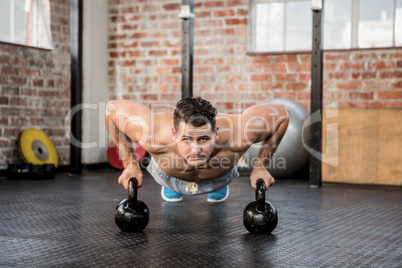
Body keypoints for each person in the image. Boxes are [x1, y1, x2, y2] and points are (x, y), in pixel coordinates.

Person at [105, 96, 289, 202]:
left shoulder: (240, 132)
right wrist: (130, 164)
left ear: (216, 133)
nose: (195, 150)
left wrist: (261, 166)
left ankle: (218, 187)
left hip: (218, 176)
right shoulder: (152, 133)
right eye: (186, 139)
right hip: (168, 176)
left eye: (203, 139)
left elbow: (282, 114)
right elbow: (111, 110)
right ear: (174, 133)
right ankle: (174, 187)